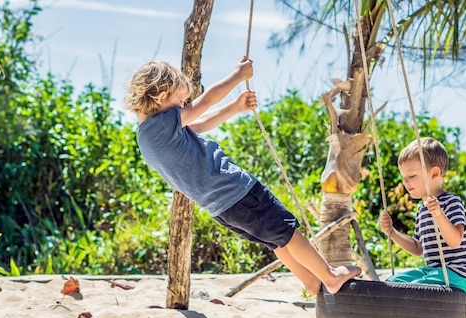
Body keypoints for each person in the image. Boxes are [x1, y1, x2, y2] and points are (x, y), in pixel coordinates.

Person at [124, 57, 361, 295]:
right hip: (236, 191)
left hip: (221, 210)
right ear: (160, 95)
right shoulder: (162, 125)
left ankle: (309, 281)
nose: (184, 106)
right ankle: (329, 275)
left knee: (275, 239)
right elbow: (204, 103)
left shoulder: (147, 137)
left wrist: (235, 108)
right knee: (286, 230)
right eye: (180, 101)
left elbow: (201, 123)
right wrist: (237, 76)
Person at [378, 137, 466, 294]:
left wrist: (439, 214)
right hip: (435, 271)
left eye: (411, 176)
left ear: (434, 173)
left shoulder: (451, 202)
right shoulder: (422, 210)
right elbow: (418, 249)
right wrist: (391, 232)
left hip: (462, 273)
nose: (406, 183)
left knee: (416, 287)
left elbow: (455, 241)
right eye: (403, 178)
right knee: (393, 283)